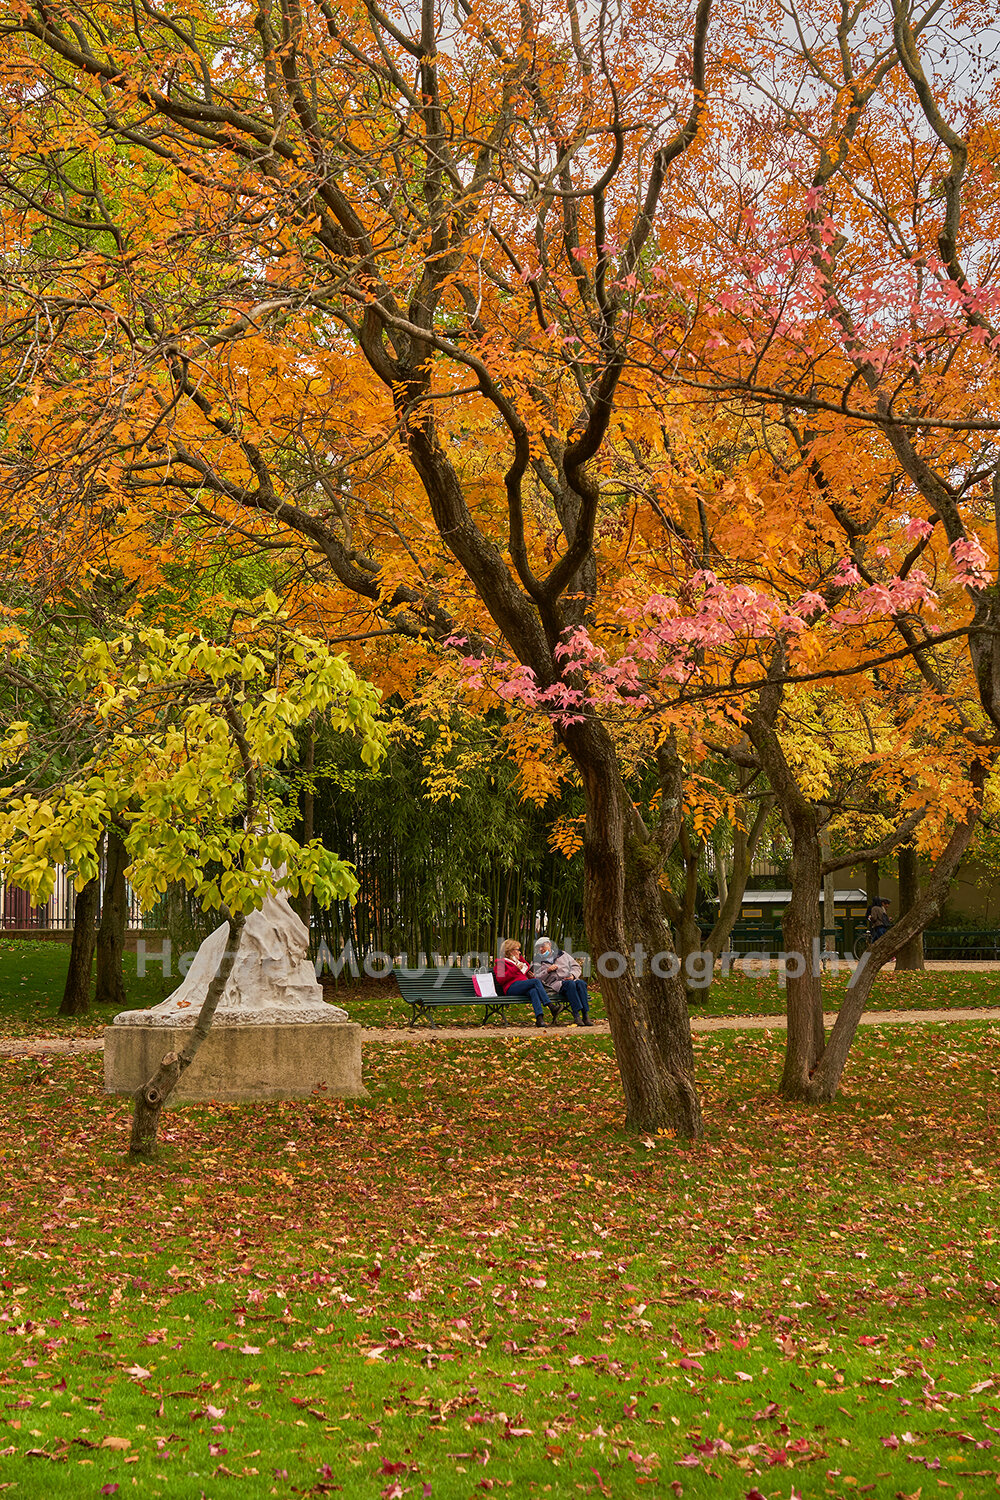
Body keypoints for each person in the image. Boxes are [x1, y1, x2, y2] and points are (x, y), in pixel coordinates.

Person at [532, 936, 592, 1025]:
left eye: (543, 946)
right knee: (570, 984)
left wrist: (572, 975)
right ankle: (576, 1015)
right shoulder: (536, 960)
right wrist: (547, 971)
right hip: (555, 984)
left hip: (571, 979)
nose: (541, 949)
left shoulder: (562, 954)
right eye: (538, 947)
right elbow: (536, 977)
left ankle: (585, 1015)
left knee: (581, 983)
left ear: (550, 944)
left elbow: (576, 966)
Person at [493, 939, 551, 1028]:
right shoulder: (501, 962)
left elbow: (524, 971)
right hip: (511, 987)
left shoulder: (518, 962)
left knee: (533, 991)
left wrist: (530, 975)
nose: (519, 952)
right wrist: (515, 969)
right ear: (510, 951)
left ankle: (539, 1019)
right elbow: (500, 979)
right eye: (517, 950)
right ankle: (550, 1005)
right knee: (536, 982)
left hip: (522, 985)